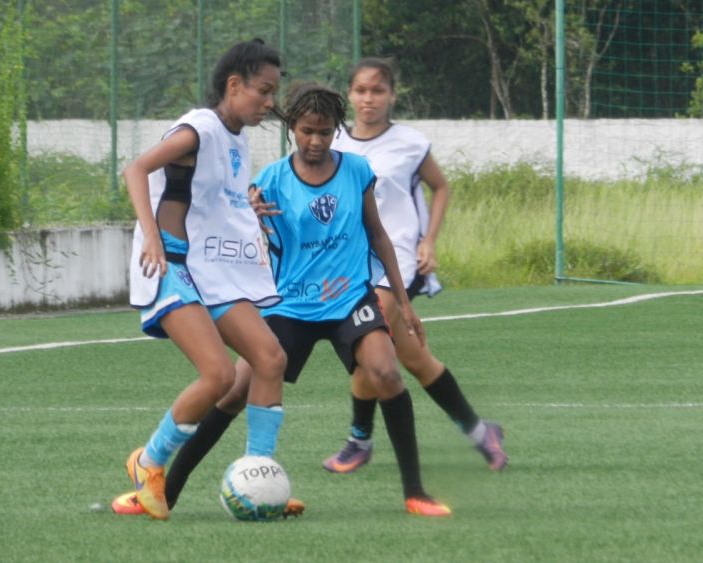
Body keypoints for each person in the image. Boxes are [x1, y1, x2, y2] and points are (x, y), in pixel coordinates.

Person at [115, 81, 452, 517]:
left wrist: (403, 302)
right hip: (289, 304)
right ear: (292, 128)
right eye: (307, 131)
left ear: (336, 131)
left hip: (349, 298)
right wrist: (248, 216)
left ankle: (415, 493)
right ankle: (165, 491)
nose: (315, 141)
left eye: (325, 132)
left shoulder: (356, 171)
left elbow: (379, 236)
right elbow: (233, 229)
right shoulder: (268, 180)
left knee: (386, 372)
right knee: (233, 391)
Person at [109, 39, 294, 521]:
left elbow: (209, 200)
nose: (269, 102)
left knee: (270, 358)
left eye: (273, 92)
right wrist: (150, 236)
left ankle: (261, 478)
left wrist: (243, 209)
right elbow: (136, 169)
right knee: (216, 375)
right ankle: (147, 463)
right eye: (263, 91)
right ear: (234, 86)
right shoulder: (200, 128)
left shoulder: (235, 139)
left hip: (208, 268)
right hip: (171, 265)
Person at [322, 57, 507, 474]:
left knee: (372, 325)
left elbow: (439, 187)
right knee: (413, 358)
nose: (369, 99)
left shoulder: (409, 142)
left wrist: (429, 240)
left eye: (377, 90)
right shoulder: (333, 142)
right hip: (354, 260)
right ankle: (481, 433)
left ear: (391, 95)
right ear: (349, 94)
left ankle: (359, 440)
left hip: (400, 255)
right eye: (361, 90)